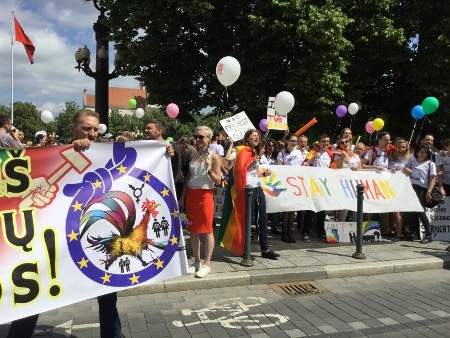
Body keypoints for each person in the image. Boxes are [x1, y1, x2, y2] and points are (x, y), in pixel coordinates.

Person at [179, 126, 222, 278]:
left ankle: (207, 263)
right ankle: (196, 261)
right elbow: (189, 177)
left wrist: (209, 169)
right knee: (193, 230)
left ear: (209, 138)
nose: (197, 139)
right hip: (191, 193)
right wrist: (183, 197)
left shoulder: (214, 156)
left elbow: (218, 181)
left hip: (204, 195)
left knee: (207, 230)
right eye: (195, 136)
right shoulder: (193, 154)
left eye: (200, 137)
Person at [239, 129, 279, 259]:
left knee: (262, 219)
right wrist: (253, 162)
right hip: (248, 190)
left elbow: (253, 172)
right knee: (248, 220)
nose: (256, 138)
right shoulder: (244, 151)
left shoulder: (255, 152)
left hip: (258, 188)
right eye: (253, 136)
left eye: (257, 136)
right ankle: (245, 249)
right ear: (247, 139)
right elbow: (240, 170)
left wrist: (263, 174)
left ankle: (265, 249)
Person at [302, 134, 335, 240]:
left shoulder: (330, 154)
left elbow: (332, 167)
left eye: (327, 141)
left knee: (322, 210)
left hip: (324, 185)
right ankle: (305, 232)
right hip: (313, 184)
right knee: (311, 209)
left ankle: (320, 231)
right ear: (319, 142)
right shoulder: (312, 153)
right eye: (323, 141)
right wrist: (313, 159)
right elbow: (303, 165)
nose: (326, 143)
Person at [403, 143, 435, 243]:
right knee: (411, 211)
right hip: (411, 187)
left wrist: (428, 191)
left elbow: (433, 179)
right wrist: (407, 169)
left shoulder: (430, 164)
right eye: (421, 152)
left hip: (422, 189)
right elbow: (404, 168)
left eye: (425, 153)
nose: (423, 154)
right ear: (417, 152)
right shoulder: (412, 161)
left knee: (420, 212)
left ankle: (428, 234)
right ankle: (413, 233)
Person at [277, 133, 306, 242]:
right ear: (287, 141)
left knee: (293, 209)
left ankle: (290, 232)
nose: (294, 143)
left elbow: (301, 166)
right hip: (286, 183)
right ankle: (284, 233)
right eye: (292, 141)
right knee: (286, 209)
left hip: (296, 183)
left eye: (295, 141)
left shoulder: (298, 152)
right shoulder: (282, 154)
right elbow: (279, 169)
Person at [388, 138, 411, 241]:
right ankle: (393, 230)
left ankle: (399, 234)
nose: (401, 149)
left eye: (403, 147)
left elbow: (413, 171)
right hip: (391, 185)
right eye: (399, 147)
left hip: (403, 186)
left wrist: (409, 171)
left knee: (397, 210)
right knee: (392, 210)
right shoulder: (391, 157)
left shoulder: (409, 159)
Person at [334, 136, 361, 222]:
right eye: (342, 142)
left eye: (347, 141)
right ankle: (340, 229)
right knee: (344, 209)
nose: (345, 143)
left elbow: (360, 169)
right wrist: (342, 158)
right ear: (340, 145)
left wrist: (357, 168)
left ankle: (355, 230)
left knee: (355, 209)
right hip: (343, 184)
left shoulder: (356, 156)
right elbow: (339, 169)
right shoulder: (337, 156)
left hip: (355, 184)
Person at [260, 138, 280, 235]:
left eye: (273, 145)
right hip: (264, 183)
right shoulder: (262, 157)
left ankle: (274, 227)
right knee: (265, 206)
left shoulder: (277, 158)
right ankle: (264, 227)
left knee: (274, 206)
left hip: (274, 183)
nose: (271, 147)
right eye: (269, 145)